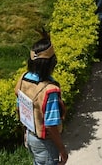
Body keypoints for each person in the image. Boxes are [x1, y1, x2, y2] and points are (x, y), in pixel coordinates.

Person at [15, 30, 67, 165]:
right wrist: (62, 149)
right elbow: (50, 125)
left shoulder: (23, 78)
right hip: (46, 144)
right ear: (51, 63)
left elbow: (19, 108)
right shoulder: (50, 91)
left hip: (30, 136)